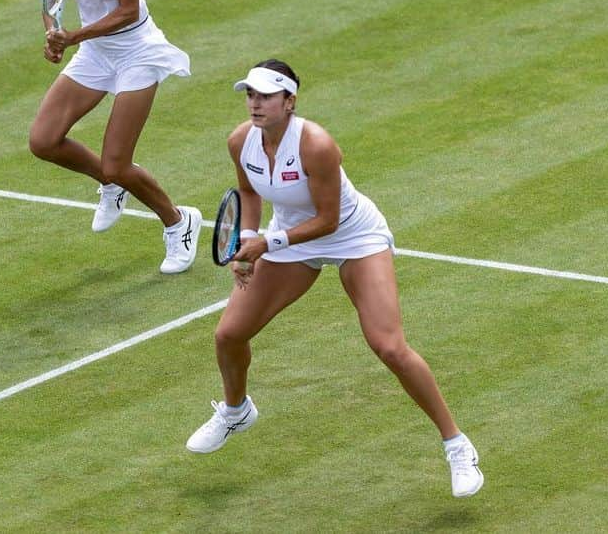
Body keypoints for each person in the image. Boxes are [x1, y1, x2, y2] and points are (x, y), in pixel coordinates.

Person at [184, 59, 484, 498]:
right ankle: (236, 410)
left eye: (266, 96)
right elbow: (248, 192)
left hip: (353, 236)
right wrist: (245, 240)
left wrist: (267, 244)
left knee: (389, 346)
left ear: (290, 102)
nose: (255, 104)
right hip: (289, 239)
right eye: (250, 95)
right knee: (229, 334)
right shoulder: (240, 142)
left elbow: (328, 219)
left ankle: (457, 445)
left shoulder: (317, 144)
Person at [29, 0, 202, 274]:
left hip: (136, 51)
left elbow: (127, 10)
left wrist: (73, 37)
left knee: (118, 163)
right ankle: (109, 185)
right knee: (43, 140)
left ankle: (179, 223)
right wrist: (53, 32)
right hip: (94, 50)